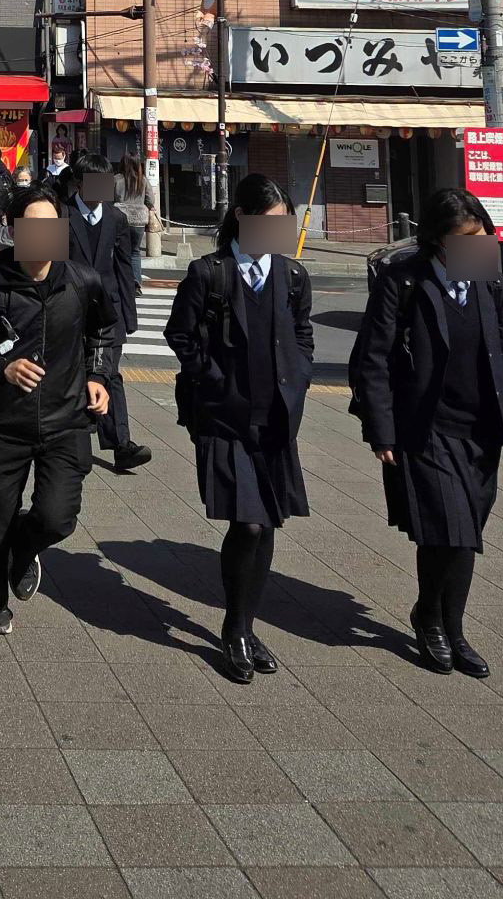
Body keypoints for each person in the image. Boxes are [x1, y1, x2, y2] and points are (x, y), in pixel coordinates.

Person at [351, 186, 503, 680]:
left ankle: (446, 623)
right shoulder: (403, 278)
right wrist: (381, 430)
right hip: (426, 427)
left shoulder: (485, 272)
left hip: (481, 430)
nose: (474, 246)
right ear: (436, 240)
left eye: (479, 236)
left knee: (464, 534)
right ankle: (434, 624)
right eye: (462, 239)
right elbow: (374, 357)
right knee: (449, 530)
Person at [165, 174, 313, 686]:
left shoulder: (292, 276)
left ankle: (246, 626)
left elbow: (302, 333)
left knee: (267, 522)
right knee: (246, 523)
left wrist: (299, 376)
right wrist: (211, 376)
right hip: (224, 418)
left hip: (275, 419)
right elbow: (179, 333)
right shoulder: (210, 273)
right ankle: (234, 628)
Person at [0, 184, 115, 633]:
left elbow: (105, 332)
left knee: (56, 517)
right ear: (14, 230)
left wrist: (98, 377)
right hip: (6, 426)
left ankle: (24, 550)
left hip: (66, 423)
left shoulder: (83, 282)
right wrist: (1, 368)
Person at [67, 152, 151, 474]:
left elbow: (123, 267)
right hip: (72, 308)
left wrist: (129, 315)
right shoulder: (62, 214)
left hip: (109, 309)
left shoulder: (116, 218)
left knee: (110, 373)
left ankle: (121, 446)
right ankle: (79, 436)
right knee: (78, 371)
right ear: (79, 183)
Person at [116, 155, 150, 290]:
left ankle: (121, 280)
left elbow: (105, 199)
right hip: (138, 221)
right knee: (135, 252)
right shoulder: (143, 181)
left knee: (119, 251)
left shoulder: (116, 179)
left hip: (120, 218)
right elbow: (150, 200)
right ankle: (136, 281)